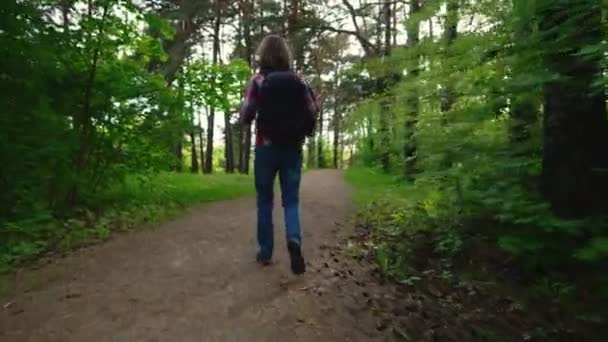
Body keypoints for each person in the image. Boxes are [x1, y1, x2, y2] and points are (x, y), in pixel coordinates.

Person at [240, 34, 318, 275]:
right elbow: (312, 110)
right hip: (292, 148)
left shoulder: (259, 81)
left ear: (263, 56)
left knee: (265, 200)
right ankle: (293, 239)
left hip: (265, 147)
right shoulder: (299, 81)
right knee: (291, 200)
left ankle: (265, 253)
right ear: (286, 55)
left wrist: (244, 113)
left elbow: (247, 113)